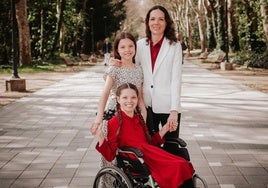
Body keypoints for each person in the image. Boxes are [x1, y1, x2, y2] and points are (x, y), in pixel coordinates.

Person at [95, 83, 194, 188]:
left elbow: (150, 143)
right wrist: (101, 136)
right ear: (118, 99)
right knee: (177, 166)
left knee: (183, 163)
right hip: (136, 159)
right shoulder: (114, 122)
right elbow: (110, 156)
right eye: (125, 97)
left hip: (150, 154)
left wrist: (165, 128)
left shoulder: (139, 118)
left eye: (133, 97)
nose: (129, 101)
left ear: (137, 99)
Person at [110, 5, 183, 144]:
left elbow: (176, 79)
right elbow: (130, 65)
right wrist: (116, 62)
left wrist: (174, 110)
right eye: (152, 19)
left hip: (168, 106)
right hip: (145, 107)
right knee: (149, 147)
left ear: (166, 22)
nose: (156, 23)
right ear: (148, 22)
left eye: (161, 19)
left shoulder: (175, 46)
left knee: (172, 147)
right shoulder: (140, 45)